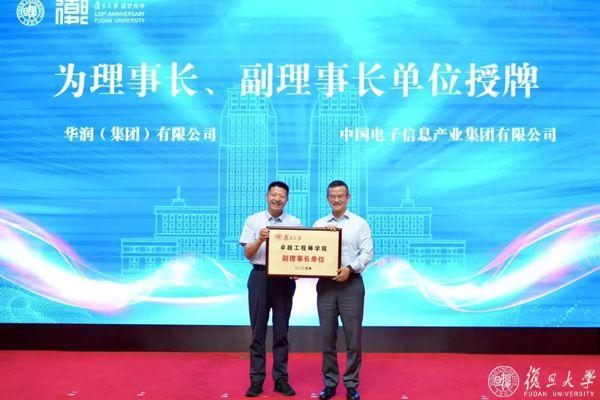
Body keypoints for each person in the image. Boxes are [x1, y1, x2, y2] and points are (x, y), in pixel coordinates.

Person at [239, 181, 302, 397]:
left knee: (281, 332)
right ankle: (256, 380)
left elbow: (299, 254)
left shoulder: (294, 223)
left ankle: (280, 379)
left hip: (284, 279)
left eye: (281, 196)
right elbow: (248, 253)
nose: (277, 199)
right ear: (267, 196)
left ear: (287, 199)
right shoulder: (253, 220)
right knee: (257, 332)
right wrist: (260, 239)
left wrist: (297, 270)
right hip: (259, 277)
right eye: (274, 194)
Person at [312, 180, 373, 400]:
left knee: (353, 339)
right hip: (326, 285)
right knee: (327, 338)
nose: (336, 199)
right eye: (332, 196)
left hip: (351, 284)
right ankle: (329, 384)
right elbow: (311, 255)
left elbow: (367, 254)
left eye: (340, 196)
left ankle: (351, 385)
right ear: (327, 198)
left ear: (348, 197)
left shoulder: (359, 223)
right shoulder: (319, 224)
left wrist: (350, 268)